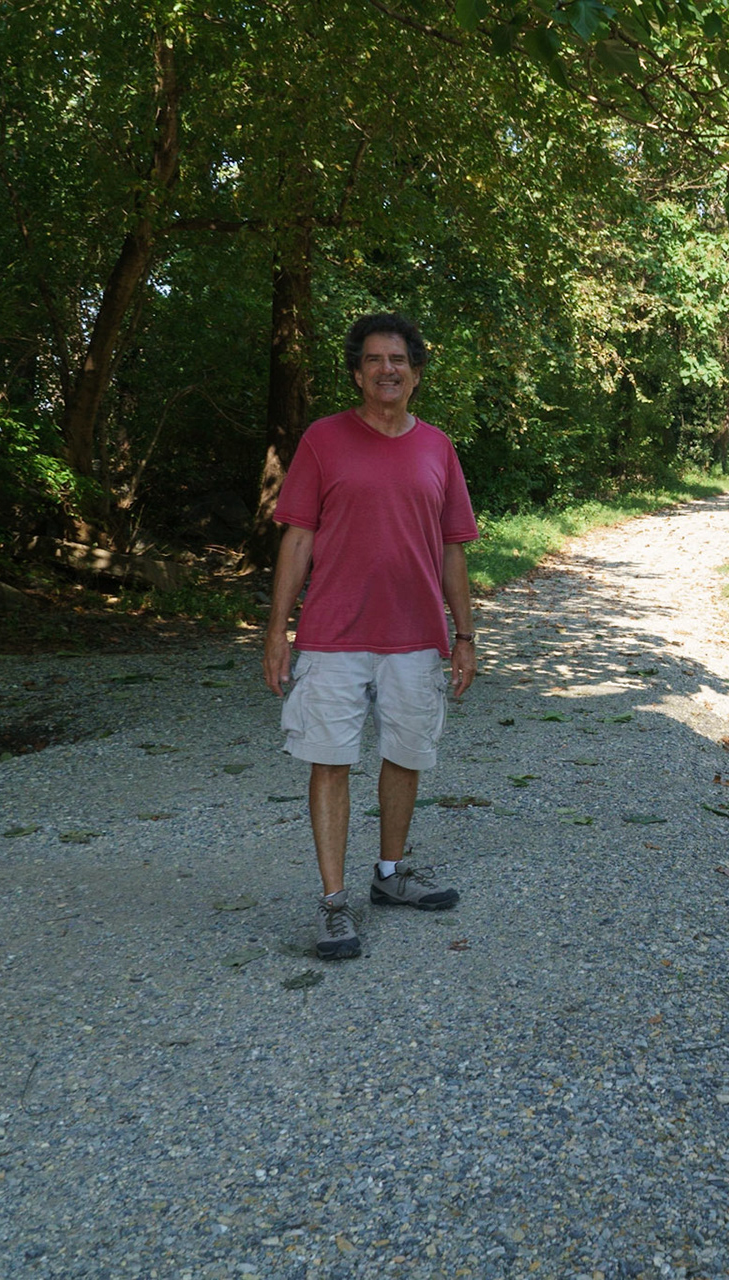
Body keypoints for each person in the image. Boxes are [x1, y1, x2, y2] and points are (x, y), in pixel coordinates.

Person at [262, 313, 480, 960]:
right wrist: (278, 631)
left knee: (407, 753)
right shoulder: (324, 441)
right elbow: (297, 538)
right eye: (376, 359)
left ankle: (390, 875)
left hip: (415, 634)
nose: (389, 369)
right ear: (357, 373)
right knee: (330, 760)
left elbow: (452, 549)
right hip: (333, 634)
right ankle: (333, 904)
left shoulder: (437, 447)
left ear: (415, 373)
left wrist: (464, 635)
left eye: (400, 360)